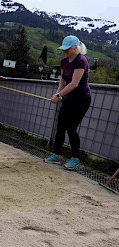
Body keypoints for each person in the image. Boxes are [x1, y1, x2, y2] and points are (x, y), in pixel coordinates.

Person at [44, 35, 92, 170]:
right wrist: (57, 93)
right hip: (68, 98)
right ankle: (56, 155)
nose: (64, 52)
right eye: (63, 49)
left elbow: (74, 84)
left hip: (81, 99)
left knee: (71, 128)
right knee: (60, 126)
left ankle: (75, 158)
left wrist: (59, 95)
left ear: (75, 48)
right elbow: (63, 80)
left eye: (67, 49)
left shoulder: (81, 61)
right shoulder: (64, 61)